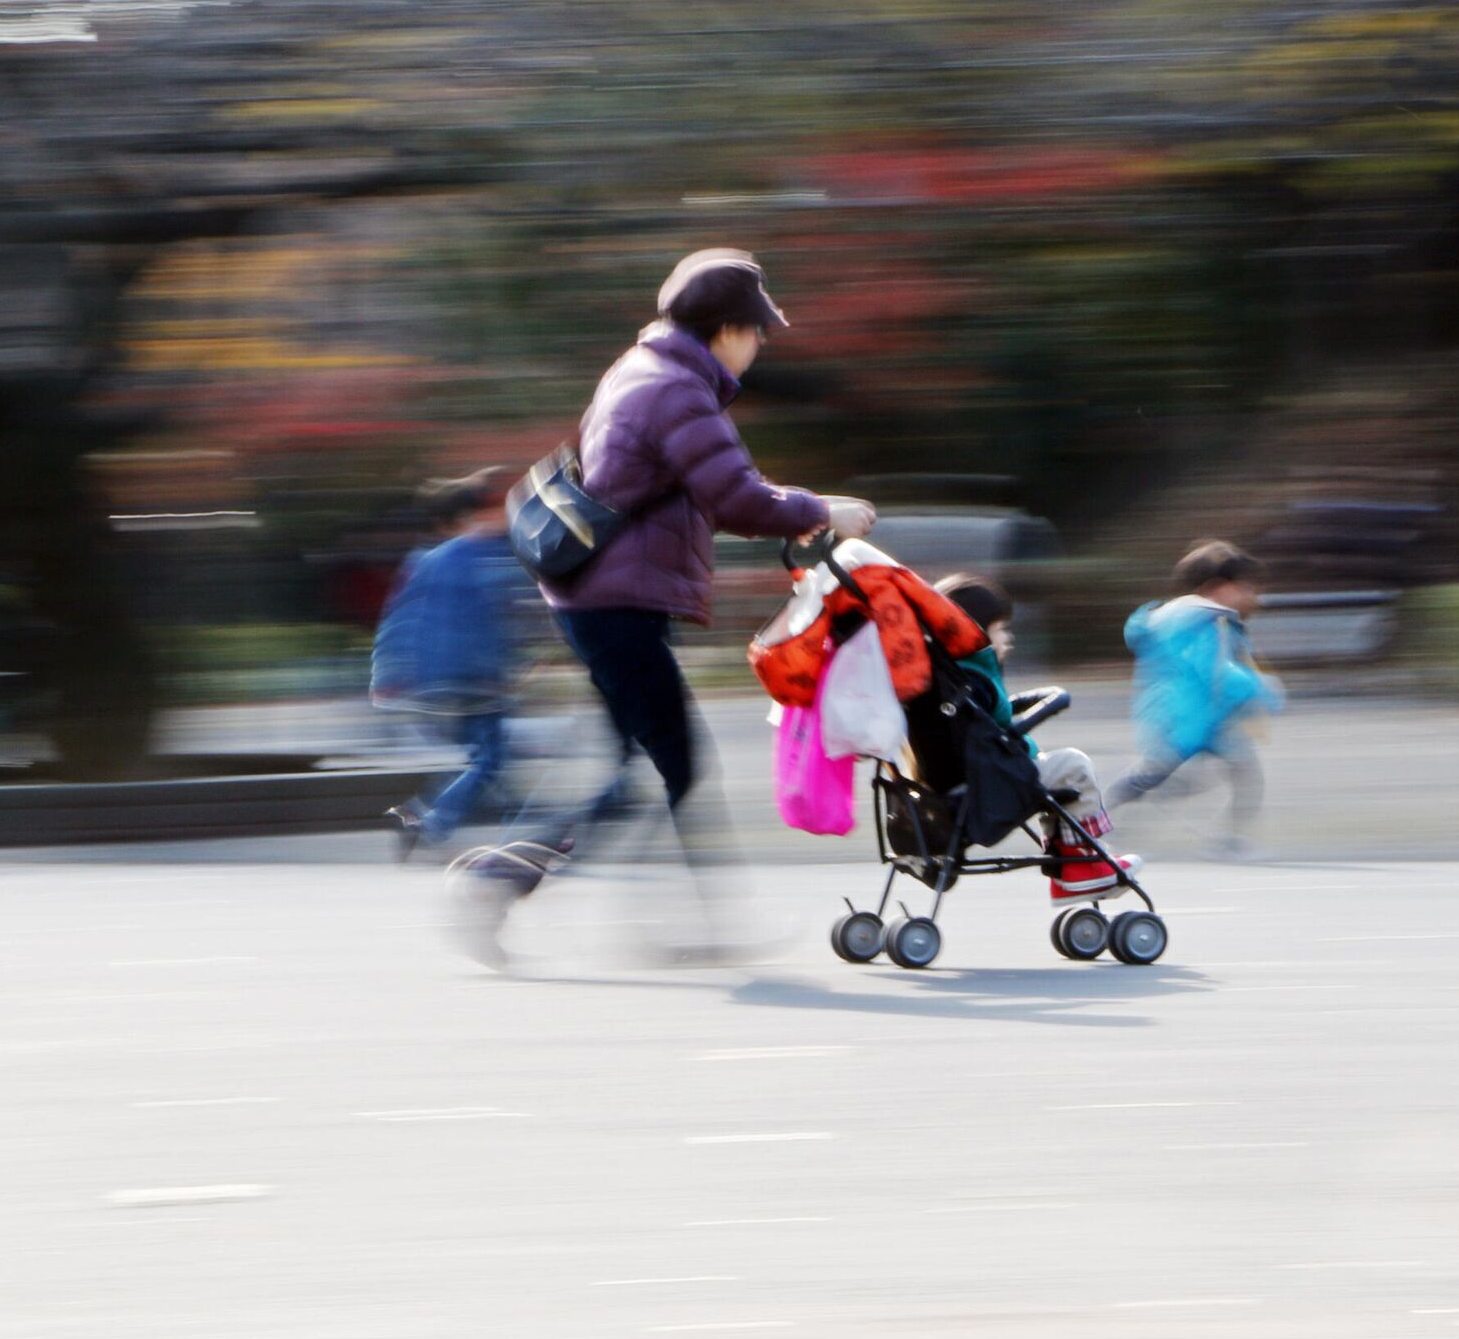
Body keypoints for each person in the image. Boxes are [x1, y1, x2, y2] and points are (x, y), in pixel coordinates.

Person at [456, 249, 875, 952]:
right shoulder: (677, 389)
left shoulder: (642, 370)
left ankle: (524, 885)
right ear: (724, 328)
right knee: (679, 763)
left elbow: (717, 488)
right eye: (755, 328)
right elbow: (737, 496)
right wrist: (825, 509)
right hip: (615, 606)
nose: (761, 342)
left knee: (636, 768)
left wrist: (794, 510)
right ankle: (670, 919)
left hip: (602, 601)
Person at [935, 573, 1142, 902]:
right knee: (1074, 766)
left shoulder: (945, 678)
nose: (1008, 638)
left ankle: (1070, 873)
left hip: (958, 783)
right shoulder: (976, 681)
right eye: (1001, 629)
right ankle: (1084, 865)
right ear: (975, 633)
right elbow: (996, 730)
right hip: (991, 782)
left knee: (1057, 779)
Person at [372, 469, 529, 856]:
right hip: (476, 676)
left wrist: (386, 674)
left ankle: (432, 815)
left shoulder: (422, 561)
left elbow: (398, 619)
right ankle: (432, 821)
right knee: (489, 760)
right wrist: (514, 664)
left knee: (485, 758)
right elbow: (507, 615)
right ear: (469, 518)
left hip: (434, 679)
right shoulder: (486, 555)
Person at [1107, 540, 1284, 853]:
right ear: (1216, 587)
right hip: (1186, 720)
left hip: (1195, 717)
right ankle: (1097, 821)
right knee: (1157, 779)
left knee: (1239, 772)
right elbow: (1215, 672)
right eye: (1244, 587)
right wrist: (1262, 690)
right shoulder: (1208, 620)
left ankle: (1227, 840)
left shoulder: (1178, 618)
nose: (1252, 597)